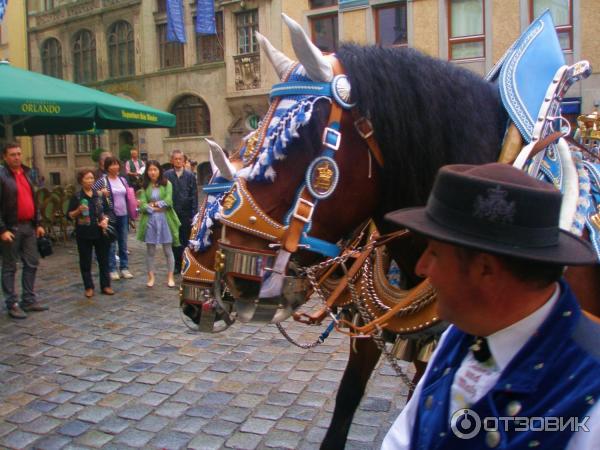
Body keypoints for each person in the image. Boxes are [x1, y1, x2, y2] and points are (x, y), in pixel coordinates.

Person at [381, 163, 600, 449]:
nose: (422, 267)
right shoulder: (460, 333)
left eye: (434, 253)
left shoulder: (590, 394)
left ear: (485, 269)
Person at [0, 142, 49, 319]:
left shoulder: (27, 173)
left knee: (32, 262)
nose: (17, 157)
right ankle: (11, 303)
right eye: (12, 154)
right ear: (5, 157)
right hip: (11, 228)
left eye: (19, 154)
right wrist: (2, 229)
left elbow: (33, 200)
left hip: (29, 225)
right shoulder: (2, 175)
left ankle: (28, 299)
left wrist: (39, 223)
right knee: (10, 266)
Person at [67, 169, 114, 298]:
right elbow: (69, 215)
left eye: (92, 178)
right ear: (81, 180)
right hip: (84, 233)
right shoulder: (77, 197)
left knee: (104, 260)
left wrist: (105, 220)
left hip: (100, 231)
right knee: (85, 261)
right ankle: (88, 287)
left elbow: (109, 211)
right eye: (87, 178)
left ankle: (106, 285)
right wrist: (78, 210)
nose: (90, 181)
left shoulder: (98, 195)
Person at [137, 160, 180, 288]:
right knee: (150, 250)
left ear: (159, 171)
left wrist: (153, 204)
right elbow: (143, 205)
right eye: (150, 170)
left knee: (168, 250)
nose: (153, 172)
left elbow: (168, 201)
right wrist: (153, 207)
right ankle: (151, 276)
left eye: (155, 169)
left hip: (165, 220)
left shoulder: (167, 184)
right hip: (150, 221)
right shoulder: (145, 186)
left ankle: (170, 276)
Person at [93, 156, 133, 281]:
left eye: (116, 164)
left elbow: (128, 195)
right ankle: (112, 268)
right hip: (110, 215)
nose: (115, 167)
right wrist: (101, 193)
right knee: (111, 242)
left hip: (124, 214)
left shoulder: (122, 180)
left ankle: (124, 267)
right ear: (107, 167)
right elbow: (92, 193)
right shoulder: (102, 181)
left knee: (123, 242)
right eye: (111, 165)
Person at [165, 150, 198, 274]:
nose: (178, 161)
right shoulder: (167, 175)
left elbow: (194, 195)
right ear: (172, 161)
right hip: (172, 212)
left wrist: (194, 213)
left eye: (180, 159)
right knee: (175, 239)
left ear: (184, 161)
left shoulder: (190, 176)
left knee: (185, 239)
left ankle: (186, 263)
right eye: (176, 159)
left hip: (186, 212)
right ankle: (177, 264)